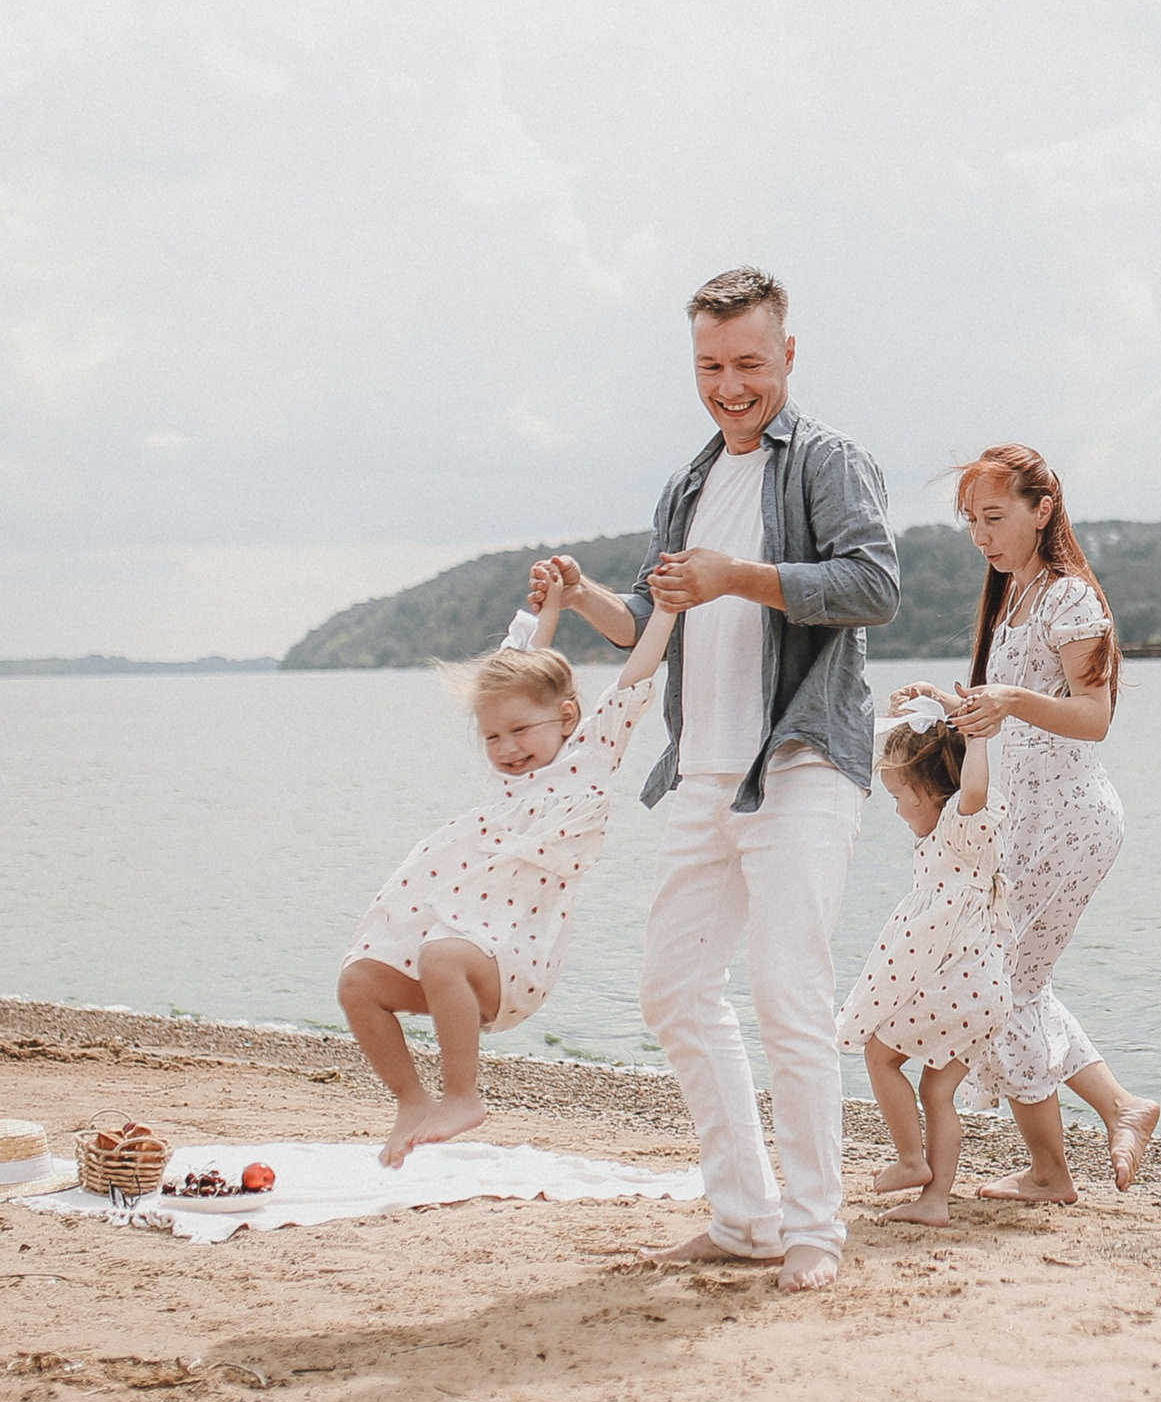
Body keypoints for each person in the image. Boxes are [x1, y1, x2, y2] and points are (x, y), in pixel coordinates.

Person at [540, 266, 898, 1293]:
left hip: (798, 762)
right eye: (710, 365)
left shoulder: (827, 460)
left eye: (749, 362)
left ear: (788, 353)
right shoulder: (687, 484)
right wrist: (583, 595)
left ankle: (814, 1229)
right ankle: (745, 1215)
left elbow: (875, 586)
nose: (730, 384)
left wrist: (737, 576)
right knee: (673, 988)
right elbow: (657, 628)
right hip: (701, 770)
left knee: (790, 991)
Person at [894, 443, 1160, 1204]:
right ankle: (1119, 1108)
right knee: (1018, 986)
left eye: (995, 517)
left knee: (1002, 988)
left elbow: (1095, 716)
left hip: (1071, 823)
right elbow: (1012, 707)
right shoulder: (1013, 594)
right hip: (1027, 822)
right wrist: (951, 705)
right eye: (971, 522)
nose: (982, 536)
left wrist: (1006, 701)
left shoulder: (1071, 598)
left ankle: (1052, 1171)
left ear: (1042, 511)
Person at [339, 569, 677, 1167]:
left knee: (442, 953)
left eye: (521, 730)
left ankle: (462, 1097)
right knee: (359, 982)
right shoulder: (507, 780)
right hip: (460, 954)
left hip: (514, 962)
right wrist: (547, 602)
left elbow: (636, 676)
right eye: (492, 735)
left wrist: (671, 612)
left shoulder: (591, 757)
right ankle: (412, 1102)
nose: (507, 748)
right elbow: (518, 661)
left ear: (568, 717)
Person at [836, 702, 1009, 1227]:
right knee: (937, 1091)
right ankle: (935, 1203)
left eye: (899, 798)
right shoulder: (947, 842)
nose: (896, 811)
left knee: (880, 1055)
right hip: (982, 993)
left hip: (966, 987)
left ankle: (912, 1161)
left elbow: (973, 789)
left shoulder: (961, 829)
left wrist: (978, 740)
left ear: (934, 793)